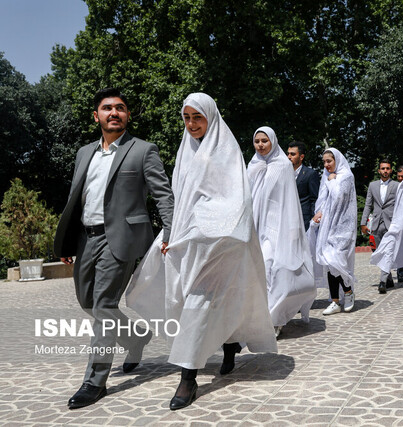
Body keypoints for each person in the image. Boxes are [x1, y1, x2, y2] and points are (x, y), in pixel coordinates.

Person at [127, 93, 277, 410]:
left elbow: (236, 200)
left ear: (210, 116)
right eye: (187, 117)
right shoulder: (186, 151)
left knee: (197, 305)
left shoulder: (226, 150)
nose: (193, 124)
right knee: (198, 302)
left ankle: (188, 379)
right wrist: (171, 234)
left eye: (198, 117)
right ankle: (231, 343)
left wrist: (205, 227)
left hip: (221, 245)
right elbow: (181, 201)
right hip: (190, 242)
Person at [53, 88, 174, 409]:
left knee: (104, 305)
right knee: (87, 302)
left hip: (121, 239)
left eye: (120, 108)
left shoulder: (143, 150)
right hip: (85, 239)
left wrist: (170, 232)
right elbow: (76, 199)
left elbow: (163, 195)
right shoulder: (83, 153)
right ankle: (136, 338)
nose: (114, 112)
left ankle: (94, 381)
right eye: (107, 108)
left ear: (128, 115)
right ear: (97, 116)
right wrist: (68, 240)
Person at [248, 127, 317, 336]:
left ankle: (275, 319)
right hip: (255, 226)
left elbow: (290, 200)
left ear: (273, 142)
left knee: (273, 267)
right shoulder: (252, 165)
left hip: (278, 227)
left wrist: (293, 230)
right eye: (257, 141)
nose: (260, 145)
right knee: (259, 272)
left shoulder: (284, 166)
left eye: (264, 141)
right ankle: (261, 316)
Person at [307, 148, 357, 315]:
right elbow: (323, 199)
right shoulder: (328, 177)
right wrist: (319, 213)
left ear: (337, 160)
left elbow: (338, 195)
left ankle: (349, 293)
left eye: (329, 161)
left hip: (344, 227)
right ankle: (335, 301)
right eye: (324, 162)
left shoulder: (346, 176)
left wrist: (331, 180)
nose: (327, 165)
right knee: (329, 262)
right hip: (329, 226)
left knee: (337, 260)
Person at [361, 159, 400, 294]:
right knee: (380, 252)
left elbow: (400, 206)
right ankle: (388, 278)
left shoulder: (397, 186)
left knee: (388, 251)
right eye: (383, 168)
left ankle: (382, 281)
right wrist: (363, 223)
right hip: (377, 224)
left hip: (391, 224)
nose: (385, 171)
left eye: (387, 168)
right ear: (379, 171)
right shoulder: (373, 185)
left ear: (391, 170)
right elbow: (368, 205)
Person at [287, 141, 320, 231]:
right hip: (286, 220)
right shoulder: (283, 174)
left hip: (304, 221)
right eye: (288, 154)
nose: (289, 157)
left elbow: (315, 199)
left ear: (301, 157)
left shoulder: (310, 174)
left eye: (292, 154)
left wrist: (313, 221)